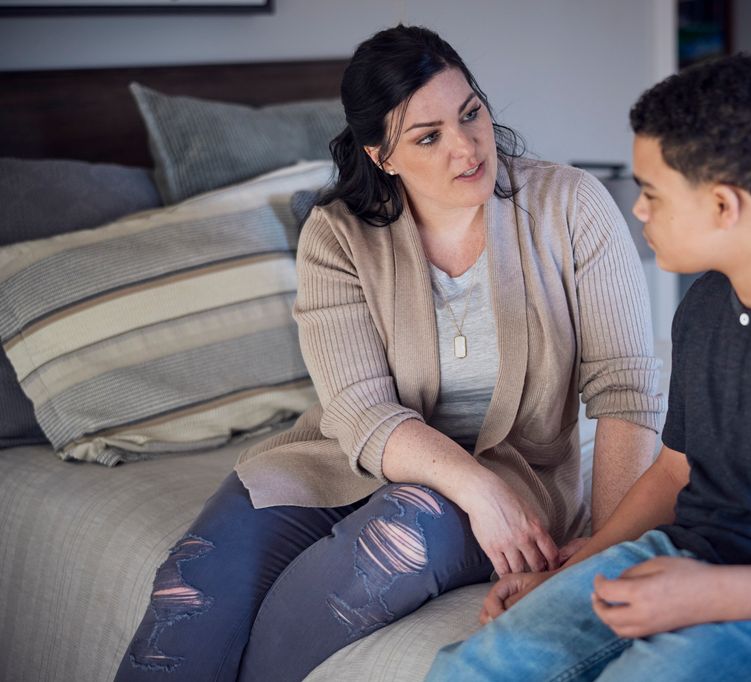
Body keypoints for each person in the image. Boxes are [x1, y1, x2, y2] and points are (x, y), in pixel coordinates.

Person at [114, 25, 664, 682]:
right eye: (428, 136)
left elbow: (626, 390)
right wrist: (477, 489)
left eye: (471, 113)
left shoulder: (570, 205)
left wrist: (598, 558)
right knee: (192, 589)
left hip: (512, 473)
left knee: (393, 540)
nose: (465, 147)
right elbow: (360, 408)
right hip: (343, 461)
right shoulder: (336, 233)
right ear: (382, 155)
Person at [427, 52, 751, 682]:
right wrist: (570, 570)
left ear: (723, 206)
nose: (640, 211)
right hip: (683, 557)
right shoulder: (705, 304)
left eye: (652, 192)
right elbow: (675, 471)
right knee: (475, 668)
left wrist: (711, 595)